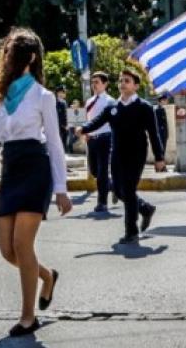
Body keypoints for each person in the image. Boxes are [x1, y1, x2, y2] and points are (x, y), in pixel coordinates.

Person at [0, 28, 72, 337]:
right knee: (7, 250)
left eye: (13, 52)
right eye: (7, 52)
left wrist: (61, 189)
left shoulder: (43, 96)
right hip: (11, 170)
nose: (8, 57)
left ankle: (28, 317)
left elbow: (55, 144)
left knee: (23, 245)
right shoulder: (0, 99)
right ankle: (47, 276)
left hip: (36, 169)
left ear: (30, 57)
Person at [77, 69, 166, 244]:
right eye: (121, 81)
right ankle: (145, 208)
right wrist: (84, 128)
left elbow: (154, 134)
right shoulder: (112, 108)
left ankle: (131, 231)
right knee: (118, 190)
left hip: (137, 154)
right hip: (117, 154)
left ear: (136, 86)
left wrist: (159, 157)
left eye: (127, 81)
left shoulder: (144, 107)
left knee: (129, 189)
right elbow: (97, 121)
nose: (122, 84)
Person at [83, 72, 114, 212]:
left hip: (105, 138)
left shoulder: (110, 101)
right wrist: (86, 132)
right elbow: (89, 119)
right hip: (92, 139)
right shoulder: (89, 101)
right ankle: (112, 185)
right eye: (92, 82)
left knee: (102, 171)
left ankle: (102, 202)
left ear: (105, 84)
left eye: (97, 82)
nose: (94, 85)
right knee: (94, 171)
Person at [54, 85, 69, 153]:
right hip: (60, 127)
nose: (65, 94)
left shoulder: (64, 102)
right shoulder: (56, 102)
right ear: (58, 93)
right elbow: (60, 116)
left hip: (63, 127)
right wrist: (64, 125)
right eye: (63, 92)